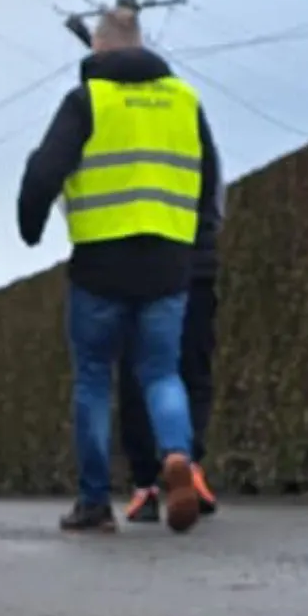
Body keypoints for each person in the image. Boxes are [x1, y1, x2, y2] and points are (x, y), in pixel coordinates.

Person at [17, 6, 221, 534]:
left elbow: (44, 169)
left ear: (99, 48)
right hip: (168, 264)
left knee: (91, 380)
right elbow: (209, 176)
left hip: (100, 266)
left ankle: (92, 503)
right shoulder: (184, 101)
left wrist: (30, 225)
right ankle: (175, 456)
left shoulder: (88, 99)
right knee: (161, 372)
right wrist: (197, 243)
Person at [121, 173, 224, 523]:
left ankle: (145, 485)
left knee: (140, 375)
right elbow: (213, 188)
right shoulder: (190, 119)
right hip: (193, 259)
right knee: (192, 369)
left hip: (132, 263)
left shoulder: (102, 118)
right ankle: (188, 464)